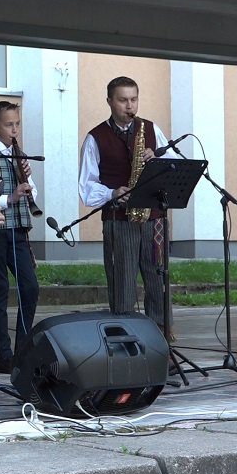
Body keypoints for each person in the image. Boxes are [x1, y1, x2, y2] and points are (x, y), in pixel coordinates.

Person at [78, 76, 181, 328]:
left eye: (134, 100)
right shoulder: (95, 138)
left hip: (153, 220)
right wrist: (113, 193)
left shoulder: (151, 129)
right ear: (109, 102)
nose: (130, 106)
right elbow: (86, 188)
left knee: (158, 282)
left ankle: (161, 341)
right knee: (122, 284)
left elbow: (174, 167)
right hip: (119, 220)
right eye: (123, 100)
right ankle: (127, 342)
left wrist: (156, 158)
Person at [0, 101, 40, 374]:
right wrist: (10, 197)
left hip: (19, 231)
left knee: (30, 287)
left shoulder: (20, 155)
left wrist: (28, 184)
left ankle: (24, 349)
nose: (14, 129)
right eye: (8, 124)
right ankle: (4, 355)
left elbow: (32, 195)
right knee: (0, 292)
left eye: (17, 124)